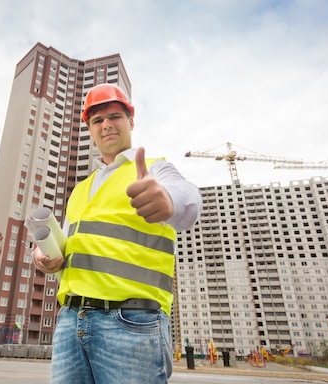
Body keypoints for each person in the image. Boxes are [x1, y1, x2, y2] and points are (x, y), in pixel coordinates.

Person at [33, 83, 201, 383]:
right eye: (97, 120)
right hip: (71, 319)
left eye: (115, 116)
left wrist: (166, 200)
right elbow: (69, 247)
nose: (106, 125)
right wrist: (48, 257)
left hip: (132, 321)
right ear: (90, 129)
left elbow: (189, 199)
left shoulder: (153, 169)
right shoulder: (81, 190)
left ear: (131, 121)